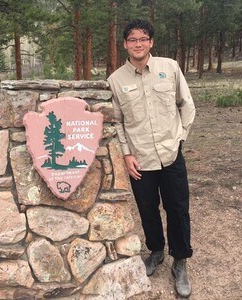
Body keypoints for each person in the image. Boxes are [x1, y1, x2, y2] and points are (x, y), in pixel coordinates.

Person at [107, 19, 195, 298]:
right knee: (147, 209)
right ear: (125, 44)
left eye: (143, 39)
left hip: (171, 155)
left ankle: (180, 261)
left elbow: (186, 103)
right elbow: (117, 122)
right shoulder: (115, 80)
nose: (138, 44)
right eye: (132, 39)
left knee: (178, 209)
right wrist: (126, 153)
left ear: (151, 42)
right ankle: (156, 251)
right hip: (140, 160)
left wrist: (180, 138)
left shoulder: (169, 68)